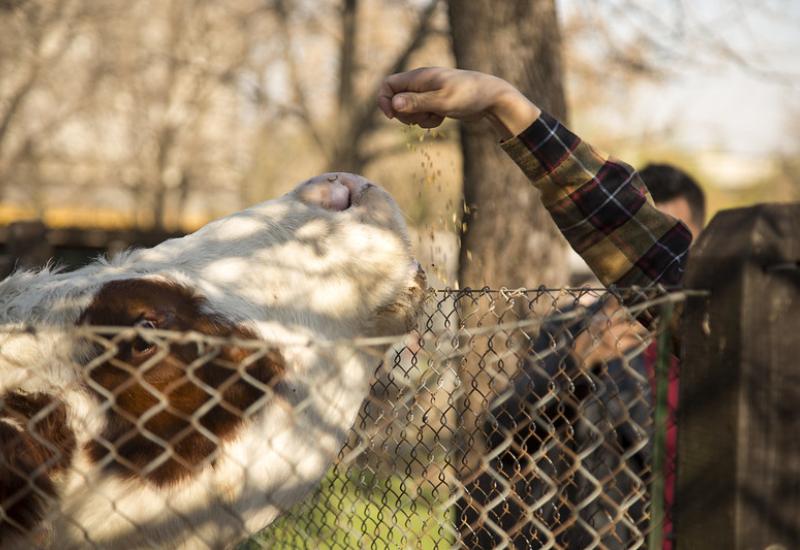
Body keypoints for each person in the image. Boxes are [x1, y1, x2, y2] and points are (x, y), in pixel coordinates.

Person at [378, 67, 695, 548]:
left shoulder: (720, 338)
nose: (636, 280)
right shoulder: (577, 323)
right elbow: (503, 431)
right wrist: (577, 367)